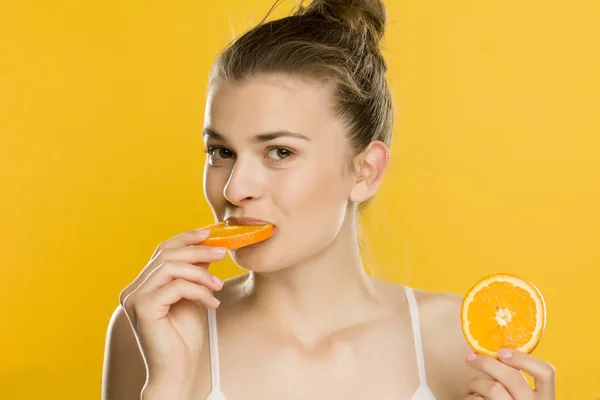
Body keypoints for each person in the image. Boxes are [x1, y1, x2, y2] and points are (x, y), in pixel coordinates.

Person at [101, 1, 556, 399]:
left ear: (366, 170)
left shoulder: (461, 342)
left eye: (280, 152)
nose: (235, 188)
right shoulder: (153, 331)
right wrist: (167, 390)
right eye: (221, 152)